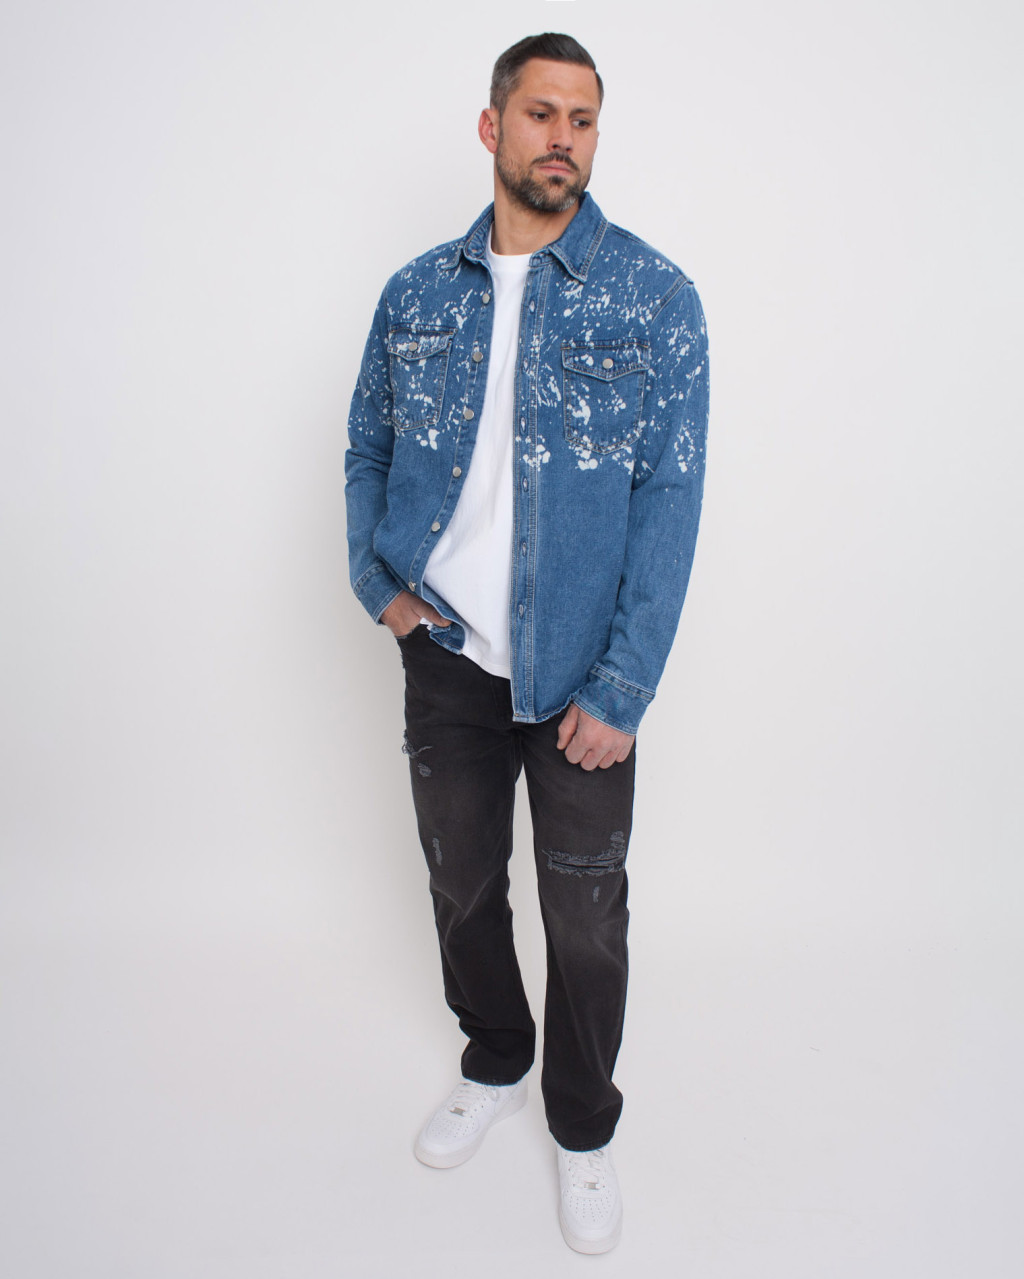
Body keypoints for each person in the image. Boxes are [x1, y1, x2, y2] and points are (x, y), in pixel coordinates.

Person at [344, 32, 708, 1254]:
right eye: (541, 113)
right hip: (445, 651)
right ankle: (494, 1055)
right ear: (492, 126)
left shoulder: (653, 297)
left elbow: (670, 498)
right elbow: (366, 447)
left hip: (580, 673)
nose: (563, 138)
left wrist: (624, 684)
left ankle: (583, 1125)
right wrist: (381, 589)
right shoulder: (415, 293)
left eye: (583, 119)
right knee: (460, 881)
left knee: (586, 915)